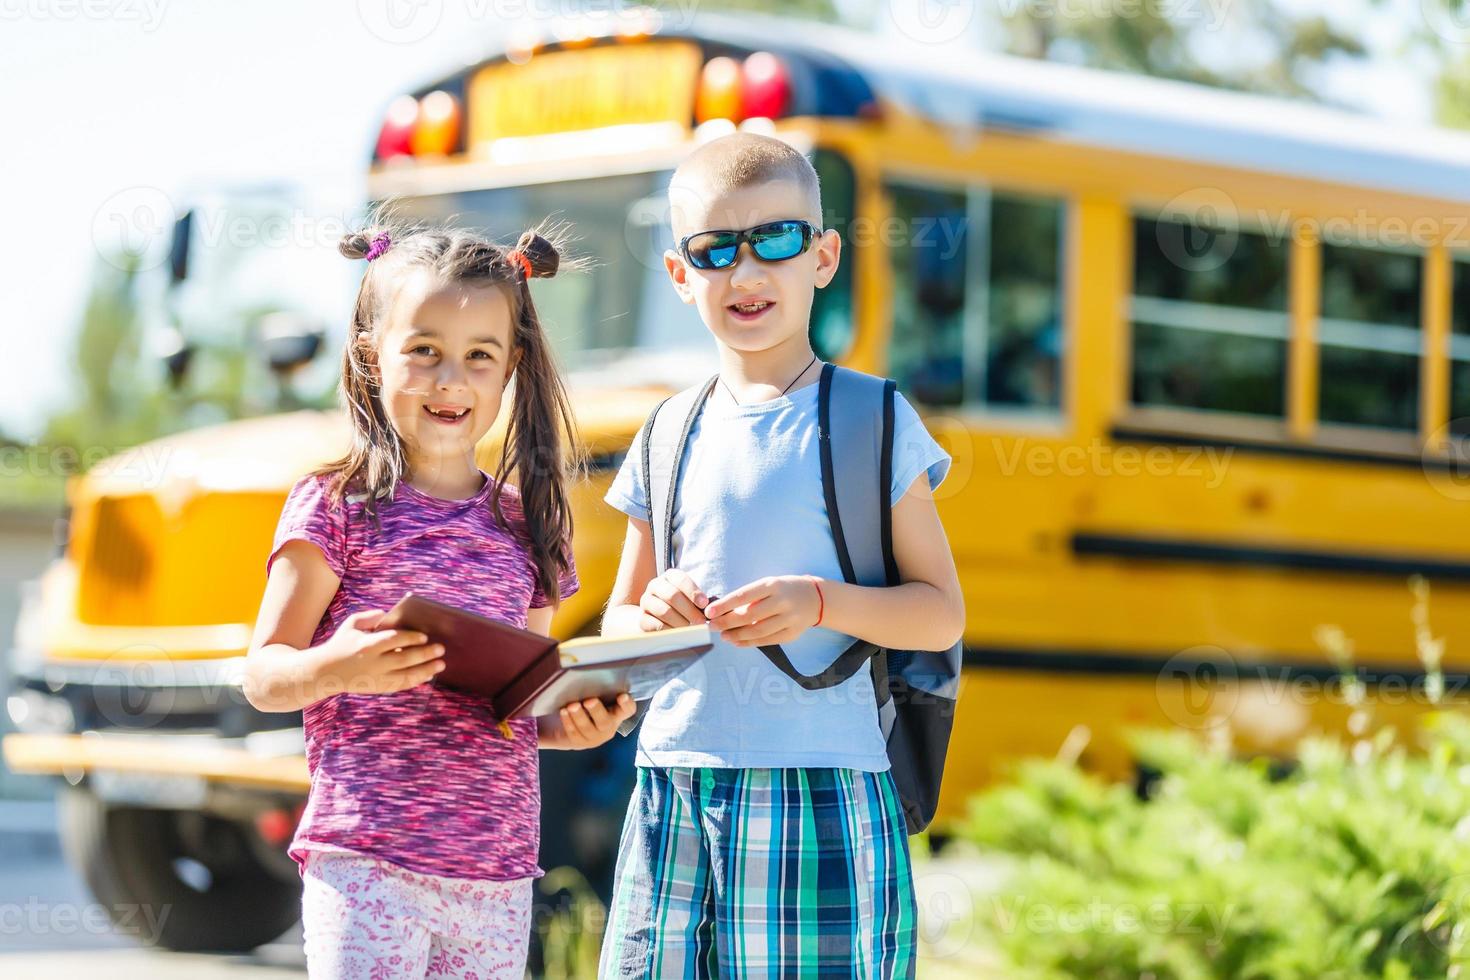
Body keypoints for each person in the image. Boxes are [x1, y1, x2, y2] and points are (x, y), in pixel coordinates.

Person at [598, 133, 966, 978]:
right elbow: (622, 616)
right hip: (673, 783)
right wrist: (651, 614)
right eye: (715, 250)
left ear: (825, 257)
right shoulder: (665, 431)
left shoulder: (873, 419)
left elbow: (940, 611)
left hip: (821, 783)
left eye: (777, 240)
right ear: (679, 276)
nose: (747, 271)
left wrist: (822, 602)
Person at [243, 217, 635, 979]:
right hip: (367, 864)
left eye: (478, 357)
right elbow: (262, 676)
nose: (451, 379)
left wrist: (575, 724)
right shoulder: (334, 506)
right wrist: (337, 667)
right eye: (423, 352)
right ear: (371, 353)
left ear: (510, 366)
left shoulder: (531, 526)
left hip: (496, 873)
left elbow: (519, 706)